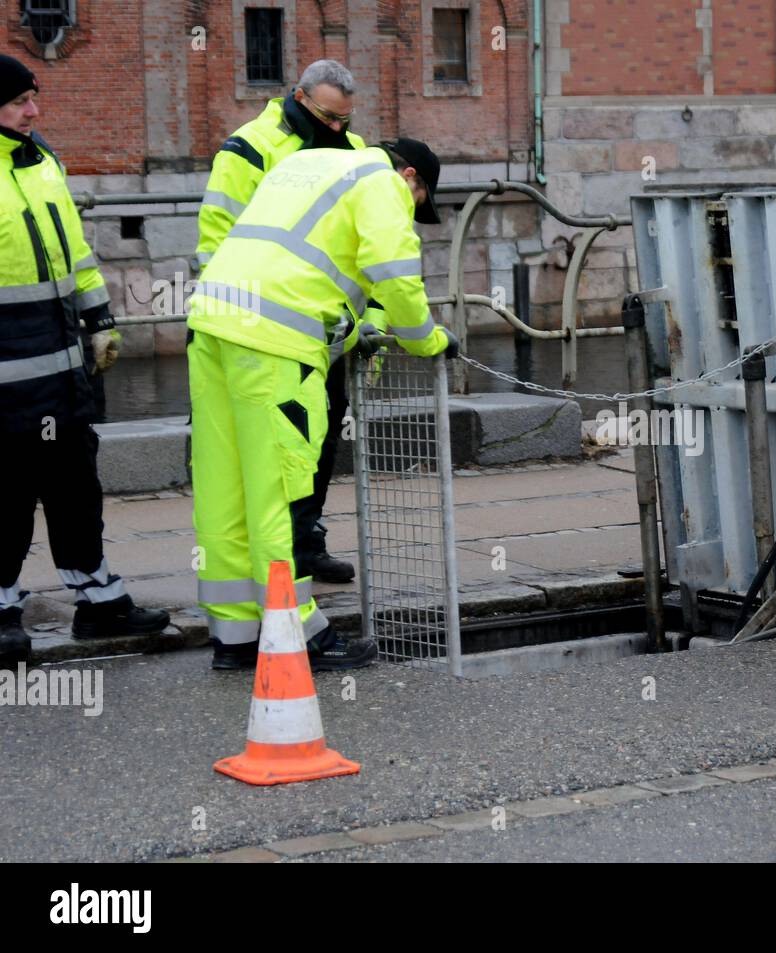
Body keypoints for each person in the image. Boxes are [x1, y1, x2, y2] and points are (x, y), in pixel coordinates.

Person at [187, 137, 458, 671]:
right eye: (418, 199)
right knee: (278, 493)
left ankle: (237, 636)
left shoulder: (308, 163)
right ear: (411, 178)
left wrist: (357, 325)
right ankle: (299, 632)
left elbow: (306, 267)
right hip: (275, 347)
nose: (412, 208)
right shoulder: (383, 184)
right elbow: (395, 276)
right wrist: (427, 340)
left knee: (225, 489)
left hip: (214, 324)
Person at [0, 55, 169, 664]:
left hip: (65, 371)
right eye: (20, 101)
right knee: (8, 496)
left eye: (33, 98)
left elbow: (75, 255)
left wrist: (100, 319)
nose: (34, 110)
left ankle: (98, 601)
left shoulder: (40, 161)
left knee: (76, 489)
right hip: (8, 383)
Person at [197, 58, 365, 585]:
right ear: (299, 96)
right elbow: (217, 240)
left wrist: (368, 321)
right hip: (266, 336)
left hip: (328, 333)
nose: (337, 129)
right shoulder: (249, 147)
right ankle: (278, 563)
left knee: (321, 440)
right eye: (329, 117)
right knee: (276, 455)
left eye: (345, 119)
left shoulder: (354, 151)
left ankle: (306, 540)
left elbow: (370, 250)